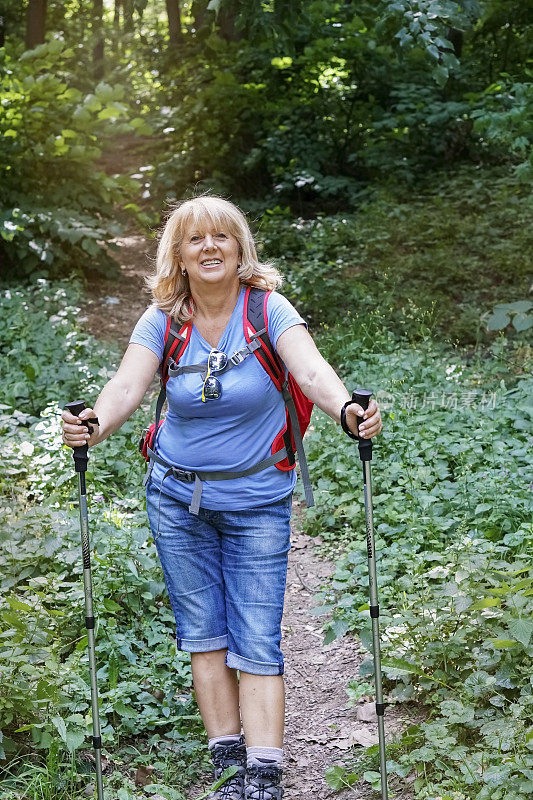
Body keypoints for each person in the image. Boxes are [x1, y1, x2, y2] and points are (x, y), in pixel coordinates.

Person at [61, 195, 382, 800]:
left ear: (240, 251)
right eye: (194, 240)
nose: (209, 248)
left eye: (221, 238)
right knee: (203, 633)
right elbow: (127, 384)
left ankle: (264, 775)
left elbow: (311, 371)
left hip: (259, 499)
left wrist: (347, 409)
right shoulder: (164, 318)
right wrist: (94, 424)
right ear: (178, 256)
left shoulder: (268, 310)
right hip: (175, 499)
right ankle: (228, 765)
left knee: (256, 635)